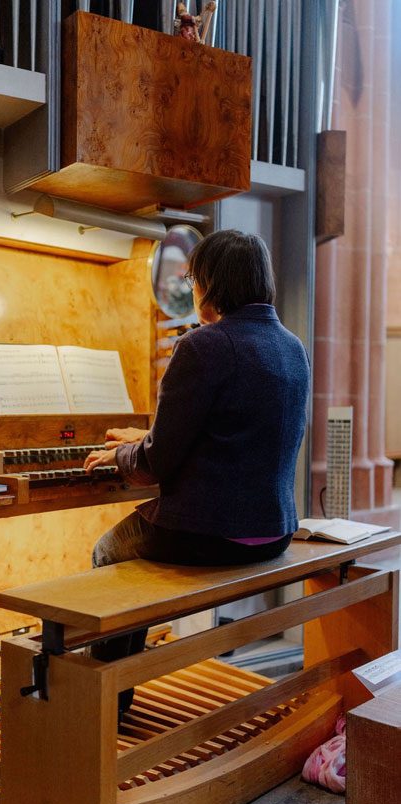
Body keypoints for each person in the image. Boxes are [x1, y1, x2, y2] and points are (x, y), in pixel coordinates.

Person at [83, 229, 311, 718]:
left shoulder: (205, 345)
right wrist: (141, 436)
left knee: (109, 553)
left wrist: (123, 453)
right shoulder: (292, 346)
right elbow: (233, 428)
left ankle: (102, 705)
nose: (192, 290)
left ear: (210, 283)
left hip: (212, 536)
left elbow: (154, 464)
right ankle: (116, 687)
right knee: (132, 553)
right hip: (272, 532)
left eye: (194, 279)